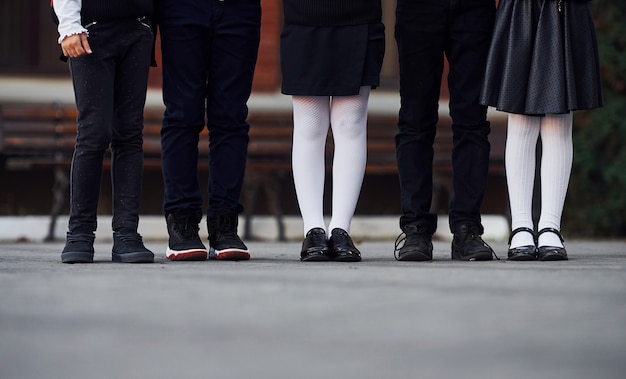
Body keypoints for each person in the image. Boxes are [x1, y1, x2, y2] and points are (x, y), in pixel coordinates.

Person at [480, 0, 603, 261]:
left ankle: (551, 227)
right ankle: (521, 227)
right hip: (521, 9)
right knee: (522, 122)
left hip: (566, 9)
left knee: (557, 122)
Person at [280, 0, 385, 262]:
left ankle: (341, 229)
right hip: (303, 16)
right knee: (308, 126)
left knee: (350, 124)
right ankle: (312, 229)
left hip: (359, 17)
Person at [157, 0, 261, 261]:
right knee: (182, 114)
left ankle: (224, 224)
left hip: (240, 10)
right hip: (182, 8)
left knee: (231, 117)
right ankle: (182, 224)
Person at [393, 0, 497, 261]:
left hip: (474, 10)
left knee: (472, 120)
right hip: (418, 9)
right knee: (415, 119)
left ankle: (467, 229)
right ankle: (416, 228)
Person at [54, 0, 156, 264]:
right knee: (93, 133)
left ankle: (126, 234)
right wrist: (68, 25)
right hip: (91, 31)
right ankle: (79, 233)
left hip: (138, 29)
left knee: (130, 134)